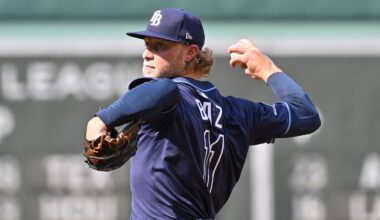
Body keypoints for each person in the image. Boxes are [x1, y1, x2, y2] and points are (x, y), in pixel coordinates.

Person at [85, 8, 321, 220]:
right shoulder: (238, 113)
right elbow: (306, 115)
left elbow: (160, 91)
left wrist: (101, 120)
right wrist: (269, 69)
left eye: (160, 46)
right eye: (147, 44)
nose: (147, 54)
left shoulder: (165, 94)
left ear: (190, 53)